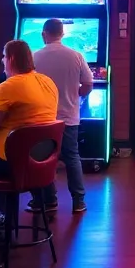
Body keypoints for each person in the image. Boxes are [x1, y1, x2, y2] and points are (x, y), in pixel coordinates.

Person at [32, 19, 93, 212]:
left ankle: (48, 201)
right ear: (62, 34)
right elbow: (88, 83)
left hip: (43, 117)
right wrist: (76, 95)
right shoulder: (76, 56)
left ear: (44, 34)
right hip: (68, 116)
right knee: (72, 157)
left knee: (43, 158)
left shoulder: (34, 56)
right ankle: (79, 201)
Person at [0, 40, 59, 180]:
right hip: (41, 157)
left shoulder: (8, 86)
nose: (2, 60)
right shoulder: (48, 81)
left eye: (4, 56)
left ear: (11, 59)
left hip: (9, 160)